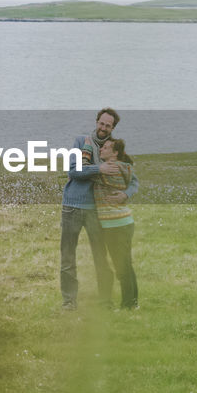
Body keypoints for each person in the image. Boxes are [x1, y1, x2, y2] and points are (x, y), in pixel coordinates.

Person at [59, 108, 138, 309]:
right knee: (68, 256)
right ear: (96, 122)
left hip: (96, 211)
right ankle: (69, 302)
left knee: (100, 258)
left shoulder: (114, 148)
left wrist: (125, 194)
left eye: (108, 125)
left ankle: (105, 302)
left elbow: (133, 179)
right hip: (72, 206)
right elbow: (73, 170)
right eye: (101, 123)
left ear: (113, 127)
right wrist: (99, 168)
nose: (103, 128)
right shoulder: (81, 141)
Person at [94, 137, 138, 309]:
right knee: (126, 264)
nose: (101, 150)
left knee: (122, 267)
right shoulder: (122, 166)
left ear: (115, 153)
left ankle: (129, 305)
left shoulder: (111, 167)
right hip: (123, 222)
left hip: (115, 225)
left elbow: (89, 175)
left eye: (106, 148)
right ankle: (132, 303)